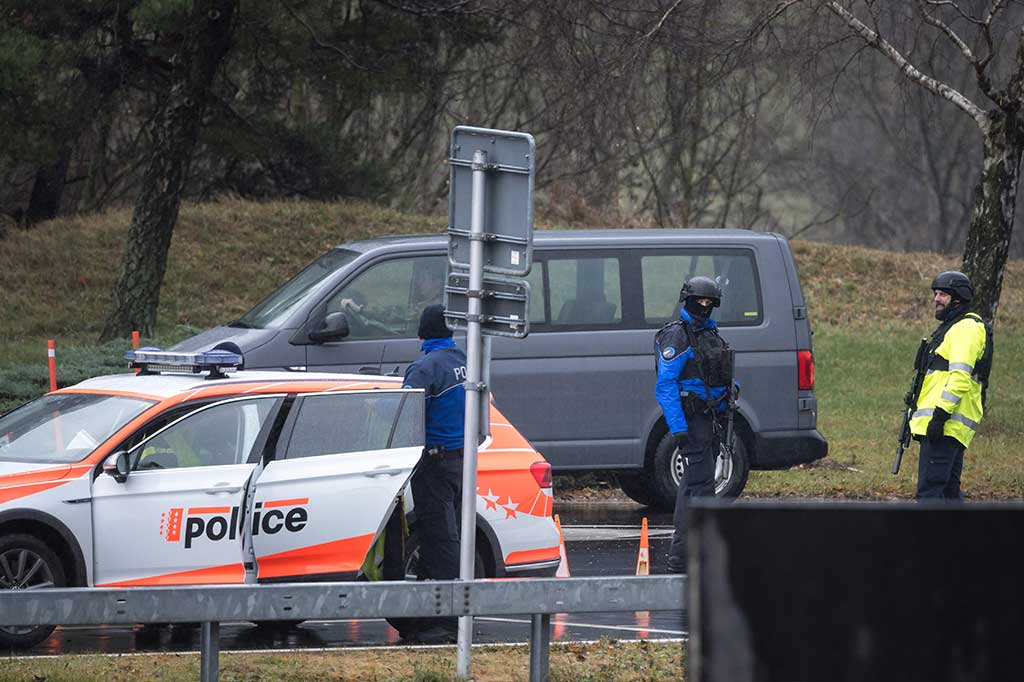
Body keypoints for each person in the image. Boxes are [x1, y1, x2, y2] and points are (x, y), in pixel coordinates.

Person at [397, 303, 467, 643]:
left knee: (440, 540)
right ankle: (427, 615)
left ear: (422, 333)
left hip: (434, 464)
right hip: (461, 462)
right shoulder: (465, 361)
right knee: (441, 534)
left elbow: (405, 417)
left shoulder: (424, 368)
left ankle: (449, 621)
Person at [655, 276, 734, 574]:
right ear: (687, 301)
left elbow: (714, 374)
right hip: (691, 421)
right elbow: (665, 386)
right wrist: (679, 430)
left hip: (710, 419)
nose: (703, 307)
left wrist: (730, 391)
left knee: (695, 486)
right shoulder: (678, 336)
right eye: (699, 301)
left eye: (708, 302)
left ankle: (684, 556)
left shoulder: (710, 334)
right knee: (700, 488)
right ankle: (693, 554)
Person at [909, 271, 992, 500]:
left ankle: (928, 536)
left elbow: (960, 376)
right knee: (947, 493)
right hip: (944, 426)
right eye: (936, 293)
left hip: (946, 425)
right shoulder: (953, 327)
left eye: (942, 294)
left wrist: (940, 416)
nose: (936, 299)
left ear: (958, 299)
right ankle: (964, 536)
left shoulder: (965, 329)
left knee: (931, 494)